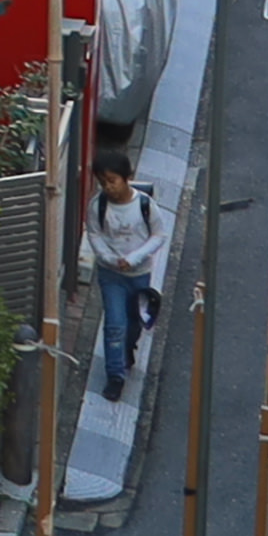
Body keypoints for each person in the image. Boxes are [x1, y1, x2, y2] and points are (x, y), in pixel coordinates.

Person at [87, 168, 172, 399]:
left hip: (139, 274)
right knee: (115, 324)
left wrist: (133, 258)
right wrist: (110, 259)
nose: (108, 187)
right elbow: (94, 234)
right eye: (103, 182)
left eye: (112, 181)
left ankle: (126, 350)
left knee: (134, 321)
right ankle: (115, 376)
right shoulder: (97, 205)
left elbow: (159, 235)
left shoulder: (145, 205)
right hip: (110, 275)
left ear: (127, 178)